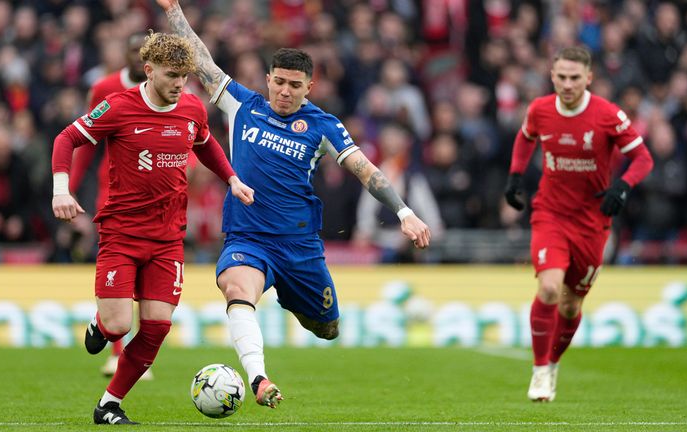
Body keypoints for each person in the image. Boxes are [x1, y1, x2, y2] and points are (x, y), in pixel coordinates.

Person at [157, 0, 431, 409]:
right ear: (268, 79)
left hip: (299, 247)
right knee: (235, 287)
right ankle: (258, 378)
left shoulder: (323, 126)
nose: (285, 91)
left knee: (327, 328)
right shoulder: (242, 106)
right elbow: (200, 59)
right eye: (279, 81)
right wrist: (173, 9)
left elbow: (365, 169)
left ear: (309, 88)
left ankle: (288, 292)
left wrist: (404, 212)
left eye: (295, 85)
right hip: (248, 237)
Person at [50, 31, 254, 424]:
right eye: (172, 75)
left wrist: (231, 178)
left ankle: (109, 404)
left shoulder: (192, 108)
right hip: (121, 234)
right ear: (149, 71)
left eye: (185, 76)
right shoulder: (118, 107)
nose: (180, 84)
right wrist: (61, 190)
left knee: (157, 327)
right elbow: (66, 138)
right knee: (118, 325)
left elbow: (205, 143)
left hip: (167, 239)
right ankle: (101, 324)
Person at [503, 46, 653, 402]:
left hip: (592, 222)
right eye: (561, 77)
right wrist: (514, 177)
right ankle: (540, 370)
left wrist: (622, 186)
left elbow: (642, 158)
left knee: (571, 306)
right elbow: (525, 138)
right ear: (551, 76)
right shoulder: (540, 109)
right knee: (550, 289)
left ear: (589, 78)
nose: (567, 84)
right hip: (550, 213)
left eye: (575, 78)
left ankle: (553, 362)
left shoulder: (607, 115)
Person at [69, 31, 151, 380]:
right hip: (114, 191)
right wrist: (69, 189)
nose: (136, 56)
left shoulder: (169, 87)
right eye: (132, 50)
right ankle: (119, 353)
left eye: (143, 51)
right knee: (121, 269)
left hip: (156, 194)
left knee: (146, 275)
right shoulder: (104, 88)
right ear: (125, 53)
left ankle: (121, 340)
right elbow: (86, 143)